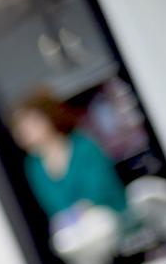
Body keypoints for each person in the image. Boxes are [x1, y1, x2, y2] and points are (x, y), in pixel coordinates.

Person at [9, 89, 129, 226]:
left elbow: (100, 190)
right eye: (19, 127)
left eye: (30, 122)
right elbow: (54, 208)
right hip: (78, 234)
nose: (25, 130)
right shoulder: (33, 166)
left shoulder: (83, 146)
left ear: (48, 117)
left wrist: (81, 213)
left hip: (113, 220)